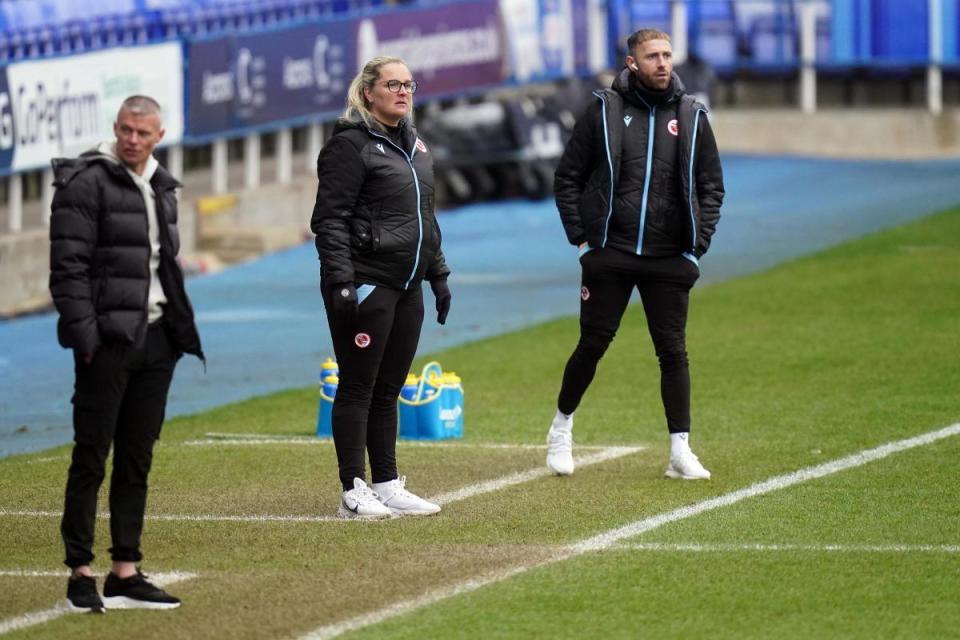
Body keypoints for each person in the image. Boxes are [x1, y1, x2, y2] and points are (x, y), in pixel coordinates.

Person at [547, 29, 724, 480]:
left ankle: (680, 450)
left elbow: (711, 187)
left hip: (669, 257)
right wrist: (583, 243)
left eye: (667, 55)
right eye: (652, 57)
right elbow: (568, 177)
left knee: (673, 352)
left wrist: (695, 249)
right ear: (632, 63)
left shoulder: (692, 114)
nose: (663, 63)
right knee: (593, 344)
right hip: (612, 250)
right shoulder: (604, 110)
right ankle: (561, 427)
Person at [49, 95, 203, 612]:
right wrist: (86, 337)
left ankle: (125, 570)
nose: (132, 139)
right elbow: (67, 270)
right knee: (91, 455)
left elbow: (164, 263)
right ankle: (79, 573)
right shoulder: (85, 182)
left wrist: (177, 334)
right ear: (115, 128)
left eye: (142, 132)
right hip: (108, 343)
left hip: (156, 341)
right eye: (125, 130)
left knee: (137, 457)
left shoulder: (161, 184)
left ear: (159, 135)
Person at [311, 56, 450, 519]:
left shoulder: (416, 145)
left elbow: (424, 218)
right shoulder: (349, 146)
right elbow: (329, 220)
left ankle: (387, 482)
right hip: (367, 283)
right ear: (368, 91)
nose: (404, 92)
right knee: (357, 385)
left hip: (408, 283)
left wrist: (439, 275)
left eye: (409, 84)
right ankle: (353, 488)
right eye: (393, 84)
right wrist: (341, 282)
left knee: (389, 388)